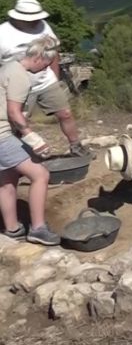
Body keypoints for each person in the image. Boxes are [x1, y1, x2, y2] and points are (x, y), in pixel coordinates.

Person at [0, 0, 90, 159]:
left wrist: (54, 77)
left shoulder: (42, 26)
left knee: (65, 113)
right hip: (18, 88)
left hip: (45, 82)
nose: (36, 21)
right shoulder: (3, 34)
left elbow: (53, 51)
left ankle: (76, 146)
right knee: (17, 123)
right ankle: (19, 158)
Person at [0, 36, 62, 245]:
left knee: (8, 178)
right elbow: (14, 113)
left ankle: (12, 228)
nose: (46, 68)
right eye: (46, 63)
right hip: (1, 135)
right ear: (38, 57)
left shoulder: (9, 67)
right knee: (41, 175)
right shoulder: (21, 77)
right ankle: (38, 229)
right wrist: (33, 139)